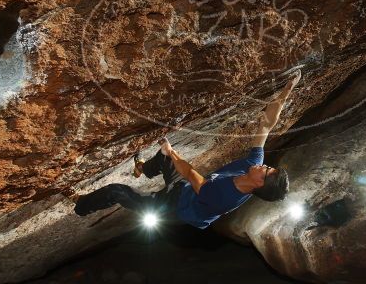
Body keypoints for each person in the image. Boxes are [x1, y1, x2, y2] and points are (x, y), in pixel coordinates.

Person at [73, 70, 301, 228]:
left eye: (266, 170)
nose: (263, 165)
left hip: (174, 208)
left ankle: (80, 205)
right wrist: (286, 92)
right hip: (185, 189)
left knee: (117, 192)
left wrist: (172, 151)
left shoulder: (225, 197)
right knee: (164, 157)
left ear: (259, 183)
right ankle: (142, 168)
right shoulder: (252, 166)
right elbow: (266, 126)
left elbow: (192, 174)